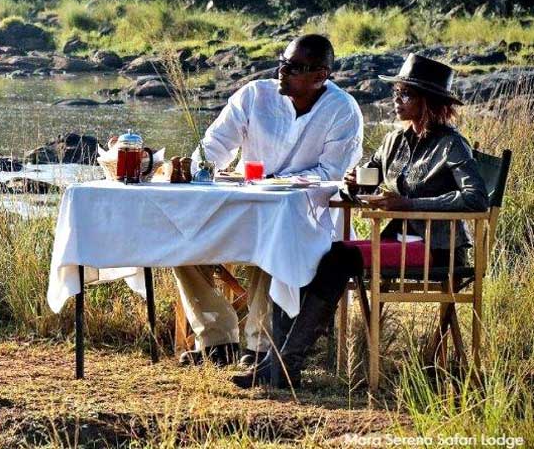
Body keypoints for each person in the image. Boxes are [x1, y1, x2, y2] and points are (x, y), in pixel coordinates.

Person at [233, 53, 489, 389]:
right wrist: (355, 184)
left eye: (406, 95)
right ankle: (278, 364)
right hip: (398, 242)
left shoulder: (451, 144)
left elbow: (477, 199)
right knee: (305, 255)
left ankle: (283, 366)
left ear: (429, 102)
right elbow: (368, 178)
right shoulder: (395, 140)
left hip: (438, 250)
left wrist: (410, 204)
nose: (396, 101)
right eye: (396, 93)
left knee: (339, 258)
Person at [174, 34, 364, 367]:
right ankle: (218, 340)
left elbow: (332, 173)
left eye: (293, 68)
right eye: (282, 63)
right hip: (242, 204)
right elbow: (215, 146)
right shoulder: (253, 96)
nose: (282, 72)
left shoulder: (343, 110)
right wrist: (195, 169)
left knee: (273, 235)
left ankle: (259, 346)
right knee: (179, 237)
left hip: (306, 215)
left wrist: (275, 185)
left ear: (320, 76)